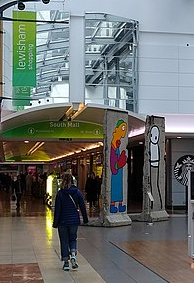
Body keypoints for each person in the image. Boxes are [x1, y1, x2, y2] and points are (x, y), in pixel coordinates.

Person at [53, 173, 89, 271]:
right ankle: (73, 255)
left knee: (64, 241)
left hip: (63, 222)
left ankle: (66, 263)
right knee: (73, 239)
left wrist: (55, 223)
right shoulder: (77, 192)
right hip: (74, 221)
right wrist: (85, 219)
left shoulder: (60, 193)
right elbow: (82, 207)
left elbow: (57, 210)